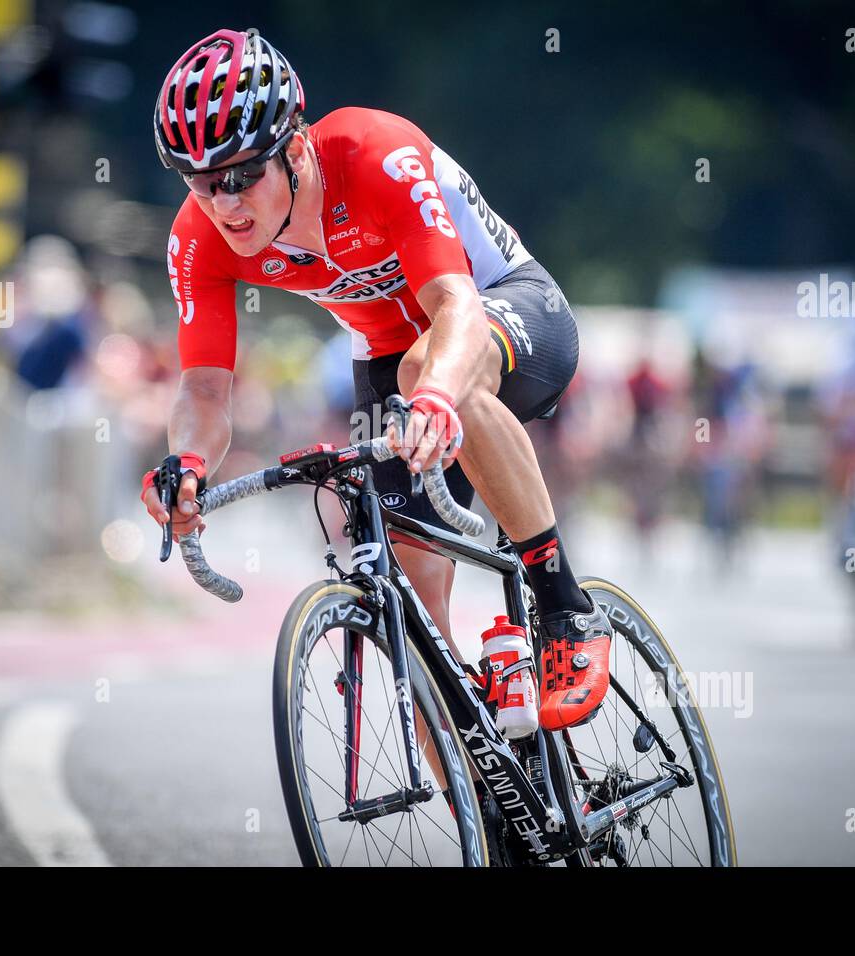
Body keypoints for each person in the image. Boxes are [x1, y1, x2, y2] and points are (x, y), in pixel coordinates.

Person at [139, 28, 613, 730]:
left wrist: (435, 396)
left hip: (500, 306)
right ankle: (497, 810)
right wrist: (188, 461)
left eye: (240, 175)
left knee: (429, 365)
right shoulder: (198, 238)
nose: (224, 203)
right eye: (201, 182)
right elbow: (205, 391)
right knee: (410, 623)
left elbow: (454, 306)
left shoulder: (372, 152)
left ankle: (564, 606)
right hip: (387, 356)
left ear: (294, 147)